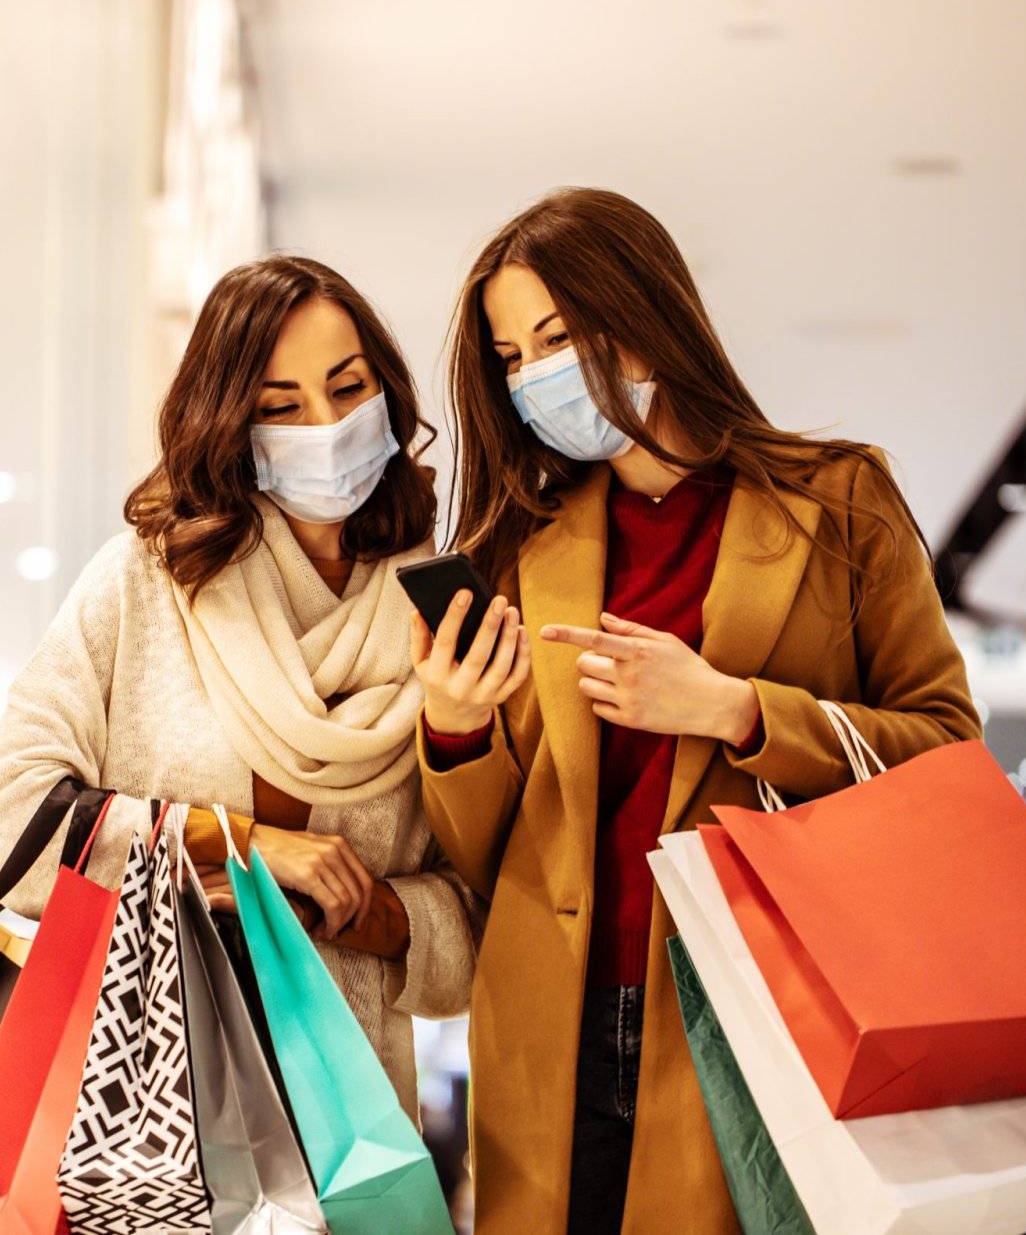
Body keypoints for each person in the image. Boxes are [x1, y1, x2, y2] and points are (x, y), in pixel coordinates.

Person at [413, 188, 979, 1234]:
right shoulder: (519, 547)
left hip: (761, 1009)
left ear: (641, 310)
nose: (533, 373)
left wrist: (735, 710)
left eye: (556, 335)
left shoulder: (837, 499)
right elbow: (485, 853)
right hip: (553, 1024)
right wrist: (452, 731)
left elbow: (945, 750)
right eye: (509, 356)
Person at [0, 255, 480, 1106]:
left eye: (348, 388)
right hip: (138, 1109)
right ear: (232, 428)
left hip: (346, 1122)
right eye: (281, 408)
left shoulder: (437, 616)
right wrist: (242, 844)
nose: (325, 425)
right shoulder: (149, 584)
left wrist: (368, 913)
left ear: (387, 392)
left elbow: (482, 916)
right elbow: (9, 818)